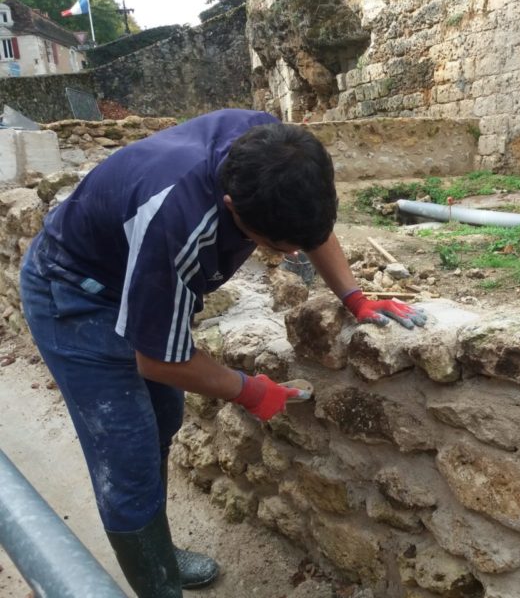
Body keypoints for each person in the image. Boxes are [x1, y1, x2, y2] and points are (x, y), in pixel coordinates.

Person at [19, 109, 426, 597]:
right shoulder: (176, 220)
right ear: (233, 207)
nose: (294, 256)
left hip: (135, 273)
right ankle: (159, 588)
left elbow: (308, 229)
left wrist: (355, 299)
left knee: (163, 420)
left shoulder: (276, 153)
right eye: (277, 246)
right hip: (76, 296)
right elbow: (159, 360)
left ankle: (160, 553)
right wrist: (251, 391)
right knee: (126, 453)